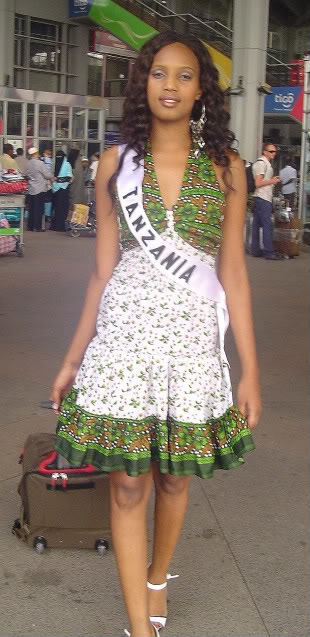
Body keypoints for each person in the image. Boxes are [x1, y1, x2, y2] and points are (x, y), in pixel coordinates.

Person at [51, 32, 261, 637]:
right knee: (127, 482)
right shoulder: (118, 163)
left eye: (185, 75)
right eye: (158, 73)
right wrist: (72, 360)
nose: (170, 85)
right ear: (143, 83)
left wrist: (250, 369)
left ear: (202, 91)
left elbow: (234, 276)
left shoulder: (226, 169)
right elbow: (99, 272)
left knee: (173, 473)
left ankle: (158, 574)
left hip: (193, 340)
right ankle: (139, 627)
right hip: (124, 339)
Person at [251, 143, 282, 260]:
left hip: (261, 197)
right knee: (267, 224)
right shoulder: (262, 164)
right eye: (271, 151)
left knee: (256, 225)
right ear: (265, 152)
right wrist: (272, 181)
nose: (274, 153)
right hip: (263, 197)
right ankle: (269, 251)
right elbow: (258, 183)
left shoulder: (263, 163)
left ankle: (256, 250)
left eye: (274, 151)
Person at [25, 147, 53, 232]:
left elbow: (26, 174)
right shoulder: (40, 163)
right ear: (35, 153)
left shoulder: (28, 163)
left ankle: (30, 226)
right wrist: (52, 177)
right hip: (40, 188)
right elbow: (47, 175)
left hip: (31, 188)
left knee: (31, 208)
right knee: (39, 209)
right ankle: (38, 227)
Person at [51, 150, 72, 232]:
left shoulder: (67, 164)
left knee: (61, 208)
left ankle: (60, 226)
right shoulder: (54, 164)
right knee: (57, 208)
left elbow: (69, 177)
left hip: (63, 188)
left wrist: (58, 179)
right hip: (55, 189)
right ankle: (55, 225)